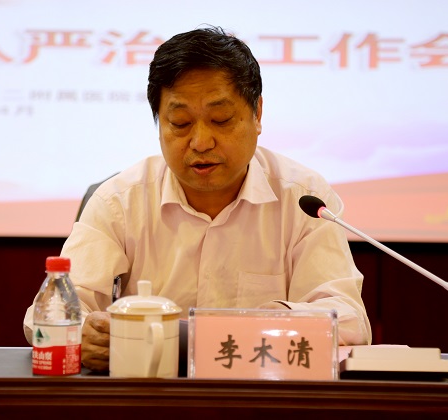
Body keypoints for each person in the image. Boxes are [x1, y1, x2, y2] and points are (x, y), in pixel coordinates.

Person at [23, 25, 372, 371]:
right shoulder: (119, 201)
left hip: (264, 387)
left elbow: (348, 319)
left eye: (221, 120)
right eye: (180, 123)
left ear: (257, 114)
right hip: (150, 389)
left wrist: (263, 324)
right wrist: (84, 333)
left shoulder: (304, 199)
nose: (201, 142)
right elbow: (53, 310)